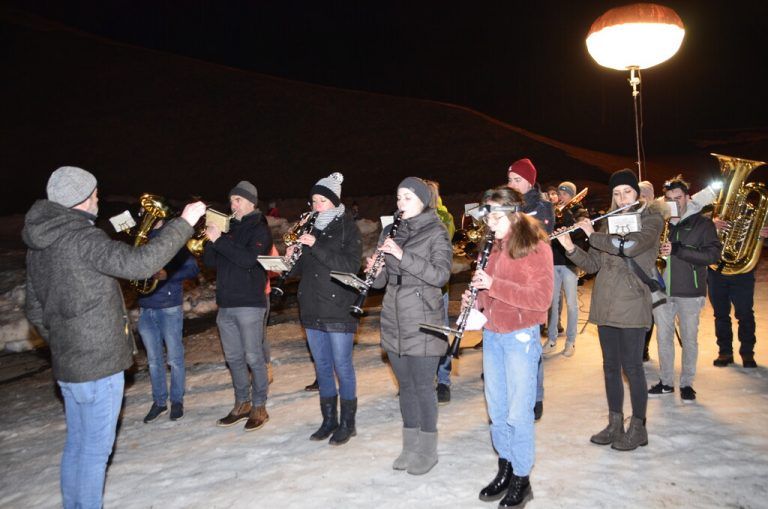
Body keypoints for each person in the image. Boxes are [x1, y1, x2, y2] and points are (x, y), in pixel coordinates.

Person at [23, 166, 205, 509]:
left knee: (77, 446)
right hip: (99, 363)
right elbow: (140, 264)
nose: (98, 200)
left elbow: (34, 308)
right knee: (94, 452)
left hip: (69, 365)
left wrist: (64, 341)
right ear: (81, 199)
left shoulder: (39, 244)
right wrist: (184, 222)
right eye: (94, 194)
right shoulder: (83, 238)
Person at [555, 168, 664, 451]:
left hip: (632, 302)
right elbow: (593, 264)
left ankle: (638, 427)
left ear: (637, 193)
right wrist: (569, 247)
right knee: (610, 367)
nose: (622, 197)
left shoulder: (651, 219)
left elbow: (630, 246)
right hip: (605, 303)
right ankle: (615, 423)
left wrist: (592, 235)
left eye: (627, 191)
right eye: (617, 193)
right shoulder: (607, 223)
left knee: (633, 367)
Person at [469, 186, 553, 507]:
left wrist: (494, 285)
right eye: (487, 218)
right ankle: (504, 467)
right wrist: (476, 300)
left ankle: (522, 477)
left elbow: (540, 299)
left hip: (520, 336)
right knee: (498, 409)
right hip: (492, 335)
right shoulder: (491, 247)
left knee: (518, 413)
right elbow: (486, 294)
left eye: (495, 217)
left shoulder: (536, 247)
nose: (489, 224)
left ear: (514, 214)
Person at [371, 177, 452, 475]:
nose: (400, 203)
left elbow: (440, 275)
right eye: (398, 197)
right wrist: (375, 270)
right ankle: (409, 445)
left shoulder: (436, 231)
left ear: (423, 200)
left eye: (407, 197)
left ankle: (427, 449)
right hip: (393, 315)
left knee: (423, 387)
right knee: (405, 386)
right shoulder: (390, 231)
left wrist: (402, 256)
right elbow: (381, 282)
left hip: (423, 317)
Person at [286, 172, 363, 445]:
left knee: (342, 365)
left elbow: (350, 266)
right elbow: (302, 268)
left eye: (322, 200)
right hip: (311, 304)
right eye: (314, 200)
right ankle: (328, 420)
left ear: (334, 201)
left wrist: (316, 245)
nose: (317, 205)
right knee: (322, 366)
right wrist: (289, 260)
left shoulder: (348, 228)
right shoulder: (309, 227)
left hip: (338, 305)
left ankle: (348, 423)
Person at [203, 180, 273, 431]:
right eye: (231, 200)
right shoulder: (228, 228)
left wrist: (220, 241)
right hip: (226, 303)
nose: (233, 205)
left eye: (238, 200)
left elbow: (247, 260)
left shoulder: (260, 229)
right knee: (233, 357)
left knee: (253, 356)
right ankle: (242, 403)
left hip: (249, 303)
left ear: (251, 202)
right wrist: (210, 240)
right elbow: (210, 262)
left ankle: (259, 406)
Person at [648, 176, 721, 401]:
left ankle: (687, 383)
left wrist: (679, 250)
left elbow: (712, 255)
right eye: (669, 199)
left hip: (690, 290)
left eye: (678, 198)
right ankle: (666, 382)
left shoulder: (703, 223)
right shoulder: (661, 222)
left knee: (689, 339)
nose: (674, 203)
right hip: (661, 290)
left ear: (688, 197)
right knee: (663, 338)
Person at [138, 220, 200, 423]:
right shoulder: (142, 239)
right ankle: (159, 402)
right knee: (153, 361)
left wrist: (169, 274)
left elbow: (192, 269)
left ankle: (177, 400)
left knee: (174, 358)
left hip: (169, 307)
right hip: (146, 307)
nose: (146, 215)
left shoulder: (174, 239)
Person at [506, 158, 554, 421]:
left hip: (530, 284)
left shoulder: (542, 207)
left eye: (517, 180)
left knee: (530, 344)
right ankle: (513, 393)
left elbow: (538, 242)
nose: (512, 184)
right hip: (508, 282)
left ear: (529, 182)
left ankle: (536, 396)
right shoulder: (507, 205)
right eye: (510, 180)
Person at [708, 222, 768, 368]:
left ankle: (747, 352)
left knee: (745, 313)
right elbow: (696, 233)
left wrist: (763, 235)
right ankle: (725, 352)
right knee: (720, 314)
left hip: (743, 270)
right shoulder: (709, 213)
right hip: (717, 269)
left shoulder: (758, 213)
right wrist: (711, 226)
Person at [544, 181, 588, 357]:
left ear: (572, 195)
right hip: (554, 261)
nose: (561, 196)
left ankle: (570, 341)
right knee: (553, 302)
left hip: (570, 262)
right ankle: (551, 339)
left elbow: (580, 233)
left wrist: (568, 215)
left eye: (565, 193)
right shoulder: (554, 210)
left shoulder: (579, 211)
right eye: (560, 193)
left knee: (571, 303)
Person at [424, 179, 456, 405]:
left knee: (440, 333)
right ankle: (422, 378)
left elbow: (445, 239)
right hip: (415, 287)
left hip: (437, 287)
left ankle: (443, 380)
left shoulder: (444, 217)